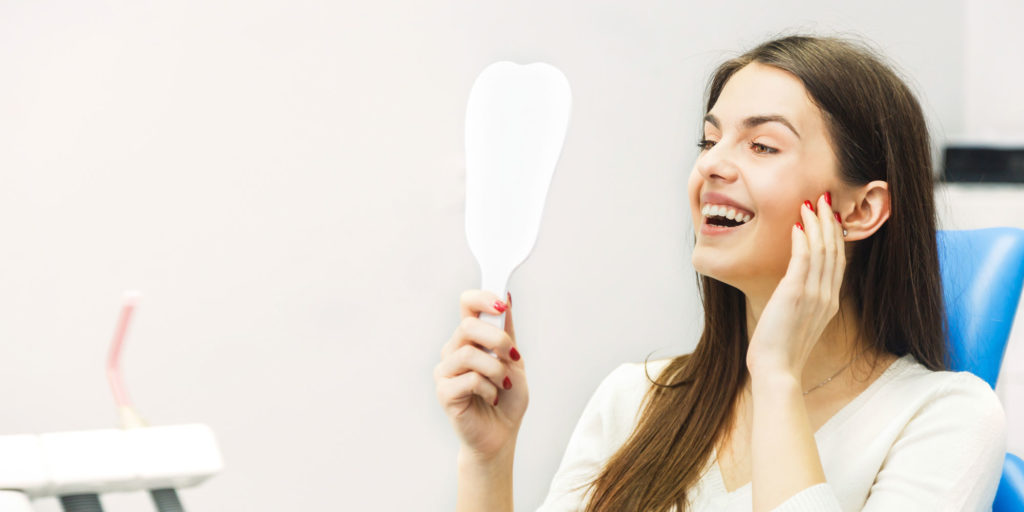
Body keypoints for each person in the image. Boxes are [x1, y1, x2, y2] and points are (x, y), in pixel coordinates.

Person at [433, 35, 1008, 511]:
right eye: (708, 141)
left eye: (761, 145)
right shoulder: (636, 399)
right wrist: (488, 460)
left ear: (860, 210)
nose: (711, 164)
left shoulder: (946, 419)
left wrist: (777, 376)